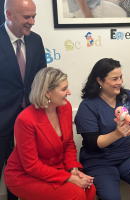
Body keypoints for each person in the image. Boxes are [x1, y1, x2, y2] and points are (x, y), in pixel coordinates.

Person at [4, 67, 96, 200]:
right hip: (24, 175)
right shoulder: (25, 119)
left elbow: (69, 144)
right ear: (48, 92)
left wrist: (72, 169)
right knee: (76, 194)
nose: (69, 92)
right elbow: (32, 166)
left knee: (89, 189)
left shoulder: (66, 107)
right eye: (64, 89)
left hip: (56, 169)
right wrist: (68, 178)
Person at [74, 58, 130, 200]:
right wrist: (117, 134)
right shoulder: (88, 106)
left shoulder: (128, 97)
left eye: (121, 77)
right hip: (99, 161)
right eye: (114, 79)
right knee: (111, 197)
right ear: (100, 81)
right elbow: (92, 142)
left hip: (129, 156)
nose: (120, 82)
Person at [0, 0, 46, 199]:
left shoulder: (36, 41)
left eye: (34, 16)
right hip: (1, 121)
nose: (32, 21)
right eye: (27, 17)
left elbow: (41, 79)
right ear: (9, 15)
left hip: (28, 122)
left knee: (20, 175)